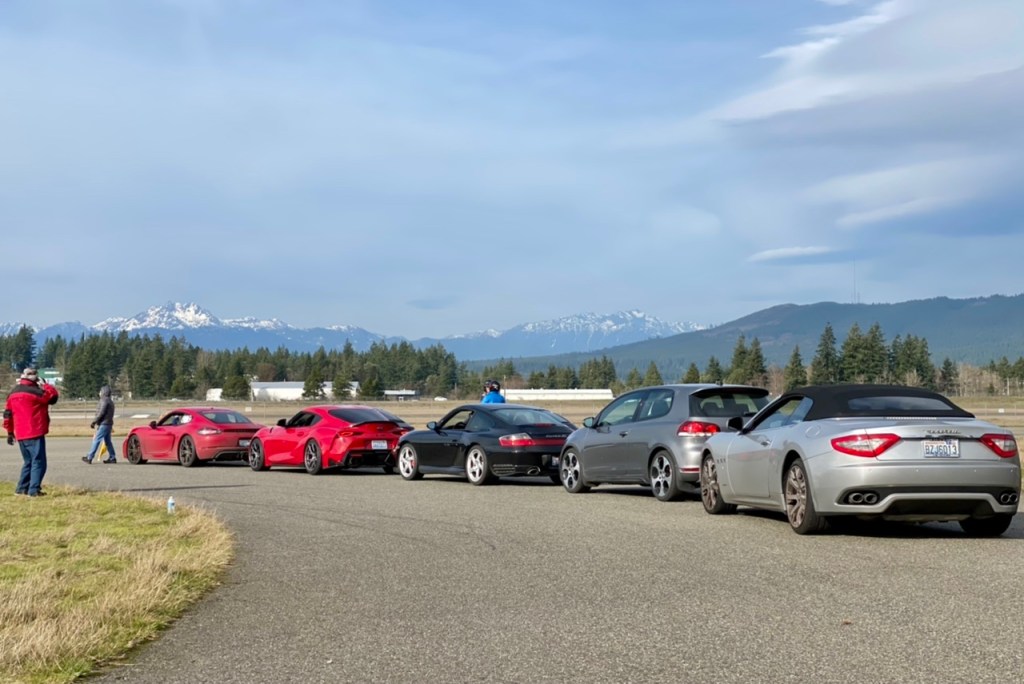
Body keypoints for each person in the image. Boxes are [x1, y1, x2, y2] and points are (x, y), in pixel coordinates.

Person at [3, 367, 60, 497]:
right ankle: (33, 490)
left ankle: (21, 488)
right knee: (38, 462)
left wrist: (10, 432)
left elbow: (7, 414)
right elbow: (53, 397)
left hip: (20, 432)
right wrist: (45, 385)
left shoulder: (13, 393)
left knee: (28, 462)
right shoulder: (36, 392)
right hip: (34, 431)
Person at [83, 385, 116, 464]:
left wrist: (94, 422)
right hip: (108, 424)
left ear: (104, 392)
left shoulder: (104, 401)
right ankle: (112, 457)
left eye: (101, 391)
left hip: (104, 424)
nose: (99, 393)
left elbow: (101, 412)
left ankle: (89, 457)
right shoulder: (110, 401)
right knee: (108, 442)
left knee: (96, 440)